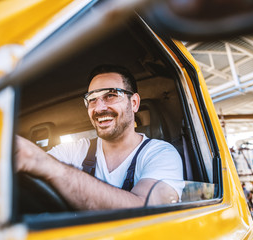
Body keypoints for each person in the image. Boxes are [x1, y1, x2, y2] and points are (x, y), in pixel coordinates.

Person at [15, 64, 183, 210]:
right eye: (92, 99)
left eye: (111, 95)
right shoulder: (73, 150)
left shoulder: (160, 154)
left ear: (134, 103)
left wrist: (51, 168)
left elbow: (146, 211)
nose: (99, 108)